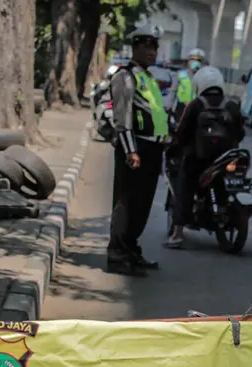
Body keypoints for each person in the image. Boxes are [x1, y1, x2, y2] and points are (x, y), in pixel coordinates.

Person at [107, 24, 169, 276]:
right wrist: (132, 152)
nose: (152, 52)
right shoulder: (125, 77)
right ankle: (117, 254)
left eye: (155, 47)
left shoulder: (149, 78)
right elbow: (123, 119)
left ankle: (131, 249)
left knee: (142, 204)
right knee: (127, 202)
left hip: (152, 149)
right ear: (135, 49)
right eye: (147, 47)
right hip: (135, 148)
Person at [165, 66, 245, 248]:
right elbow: (240, 133)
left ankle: (177, 234)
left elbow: (181, 132)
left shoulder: (195, 105)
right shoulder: (232, 105)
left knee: (184, 187)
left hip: (198, 160)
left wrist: (174, 148)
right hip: (227, 159)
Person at [174, 48, 206, 118]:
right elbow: (173, 91)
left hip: (197, 109)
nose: (195, 62)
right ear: (188, 61)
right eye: (193, 59)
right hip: (181, 108)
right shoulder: (180, 74)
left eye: (198, 60)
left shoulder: (205, 77)